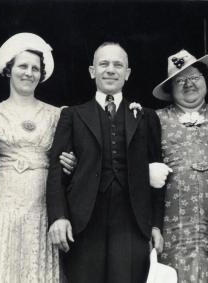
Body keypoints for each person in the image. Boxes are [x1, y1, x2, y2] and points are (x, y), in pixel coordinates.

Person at [46, 42, 165, 283]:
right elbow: (57, 169)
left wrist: (155, 225)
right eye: (104, 64)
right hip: (84, 220)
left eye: (118, 65)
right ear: (92, 71)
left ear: (127, 73)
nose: (111, 70)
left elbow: (158, 174)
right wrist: (59, 216)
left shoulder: (146, 117)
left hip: (132, 221)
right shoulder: (72, 115)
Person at [0, 33, 63, 283]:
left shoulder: (58, 116)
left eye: (35, 68)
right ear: (9, 70)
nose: (29, 73)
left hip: (41, 205)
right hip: (1, 207)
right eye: (22, 66)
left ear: (41, 75)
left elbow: (67, 159)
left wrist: (70, 162)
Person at [152, 49, 208, 282]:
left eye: (194, 77)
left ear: (207, 81)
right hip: (172, 224)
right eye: (179, 80)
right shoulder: (153, 121)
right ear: (170, 89)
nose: (188, 84)